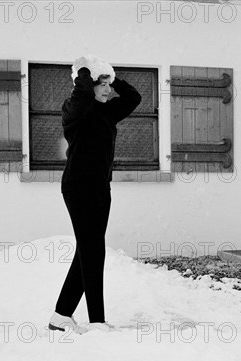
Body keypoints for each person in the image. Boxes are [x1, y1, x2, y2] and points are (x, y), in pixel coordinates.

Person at [49, 56, 142, 333]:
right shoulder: (74, 110)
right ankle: (97, 321)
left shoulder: (109, 111)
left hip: (101, 186)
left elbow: (134, 97)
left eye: (107, 84)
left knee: (87, 251)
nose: (105, 89)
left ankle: (60, 316)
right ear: (88, 85)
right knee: (93, 250)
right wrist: (85, 73)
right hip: (78, 187)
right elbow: (80, 96)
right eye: (100, 84)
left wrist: (113, 75)